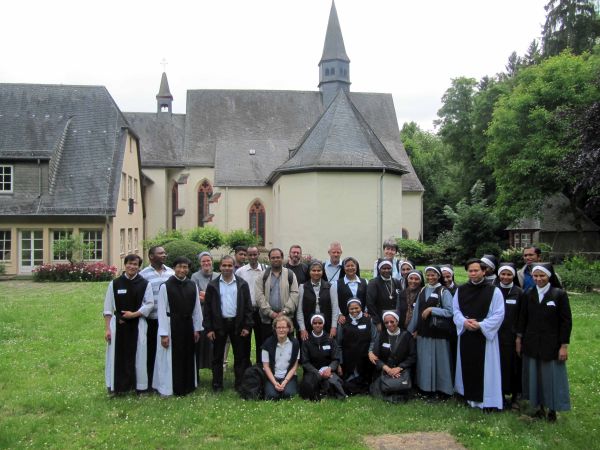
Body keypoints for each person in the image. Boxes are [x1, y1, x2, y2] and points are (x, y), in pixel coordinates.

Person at [517, 263, 571, 422]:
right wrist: (519, 339)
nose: (539, 279)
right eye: (535, 276)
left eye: (542, 276)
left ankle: (552, 409)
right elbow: (522, 319)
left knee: (551, 376)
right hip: (532, 342)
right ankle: (539, 407)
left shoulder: (559, 294)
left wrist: (563, 346)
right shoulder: (528, 294)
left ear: (549, 276)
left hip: (552, 344)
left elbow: (566, 322)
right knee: (535, 376)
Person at [453, 258, 504, 411]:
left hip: (484, 336)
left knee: (486, 370)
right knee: (466, 365)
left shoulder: (494, 291)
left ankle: (487, 401)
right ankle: (467, 396)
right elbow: (456, 310)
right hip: (467, 334)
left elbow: (499, 314)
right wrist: (464, 322)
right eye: (470, 271)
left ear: (484, 271)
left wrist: (481, 325)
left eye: (476, 270)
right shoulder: (461, 290)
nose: (473, 273)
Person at [104, 254, 154, 394]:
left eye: (135, 265)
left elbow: (149, 304)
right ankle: (117, 387)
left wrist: (134, 314)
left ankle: (139, 386)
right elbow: (108, 308)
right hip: (118, 327)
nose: (132, 267)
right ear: (125, 264)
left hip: (138, 324)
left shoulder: (145, 284)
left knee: (139, 356)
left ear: (139, 267)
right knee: (116, 356)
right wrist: (107, 329)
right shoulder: (115, 284)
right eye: (130, 264)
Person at [153, 257, 202, 396]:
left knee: (187, 354)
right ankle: (169, 387)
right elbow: (161, 311)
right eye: (179, 267)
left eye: (185, 267)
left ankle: (188, 385)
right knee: (170, 358)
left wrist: (197, 328)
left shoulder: (193, 285)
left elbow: (196, 309)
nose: (182, 270)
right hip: (171, 325)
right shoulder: (165, 286)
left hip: (187, 325)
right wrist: (163, 334)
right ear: (174, 268)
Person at [204, 255, 254, 392]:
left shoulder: (242, 284)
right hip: (219, 325)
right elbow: (207, 308)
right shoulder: (213, 285)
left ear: (233, 267)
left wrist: (247, 326)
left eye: (229, 265)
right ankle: (217, 384)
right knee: (217, 357)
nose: (227, 268)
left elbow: (248, 307)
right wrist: (209, 328)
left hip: (237, 325)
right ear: (219, 267)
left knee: (240, 356)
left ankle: (239, 384)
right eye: (224, 265)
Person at [407, 266, 454, 398]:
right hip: (423, 333)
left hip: (438, 333)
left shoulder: (443, 291)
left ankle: (443, 390)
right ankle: (425, 389)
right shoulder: (423, 289)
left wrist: (432, 310)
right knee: (425, 362)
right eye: (428, 275)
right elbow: (416, 313)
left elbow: (450, 312)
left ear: (439, 276)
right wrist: (409, 332)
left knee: (441, 362)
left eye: (433, 275)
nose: (430, 277)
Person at [139, 246, 174, 390]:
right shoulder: (143, 275)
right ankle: (149, 382)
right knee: (150, 351)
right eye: (160, 253)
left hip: (167, 320)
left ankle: (164, 380)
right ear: (151, 256)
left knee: (166, 352)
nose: (164, 255)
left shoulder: (171, 273)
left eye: (165, 253)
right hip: (151, 320)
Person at [368, 311, 417, 403]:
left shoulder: (407, 336)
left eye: (392, 321)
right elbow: (375, 357)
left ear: (397, 321)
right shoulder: (381, 335)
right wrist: (387, 369)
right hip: (385, 369)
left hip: (402, 370)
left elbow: (412, 357)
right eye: (386, 323)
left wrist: (399, 368)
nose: (389, 324)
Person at [255, 248, 299, 346]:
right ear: (269, 259)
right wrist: (271, 313)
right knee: (268, 346)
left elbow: (295, 294)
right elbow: (259, 296)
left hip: (286, 318)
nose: (276, 259)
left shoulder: (290, 275)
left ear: (282, 258)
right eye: (273, 257)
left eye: (278, 257)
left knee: (287, 346)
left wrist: (285, 311)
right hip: (267, 319)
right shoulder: (262, 276)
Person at [496, 262, 524, 410]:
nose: (505, 277)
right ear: (499, 275)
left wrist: (519, 336)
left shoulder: (519, 292)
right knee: (498, 366)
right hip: (496, 336)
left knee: (514, 367)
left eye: (509, 274)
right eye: (503, 274)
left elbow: (522, 316)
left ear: (513, 276)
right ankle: (499, 395)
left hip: (513, 337)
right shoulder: (493, 290)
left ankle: (515, 397)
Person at [299, 314, 346, 400]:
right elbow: (305, 362)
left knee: (334, 384)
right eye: (315, 323)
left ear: (323, 324)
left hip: (328, 371)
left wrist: (329, 369)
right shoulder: (306, 341)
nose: (317, 325)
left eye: (320, 323)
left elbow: (336, 358)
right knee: (308, 386)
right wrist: (317, 372)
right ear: (311, 324)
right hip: (312, 372)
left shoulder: (330, 339)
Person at [336, 298, 377, 394]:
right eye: (351, 309)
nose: (354, 311)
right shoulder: (343, 322)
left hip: (365, 359)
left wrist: (370, 351)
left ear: (361, 307)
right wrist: (340, 362)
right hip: (348, 360)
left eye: (356, 308)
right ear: (348, 309)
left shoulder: (368, 320)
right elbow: (338, 344)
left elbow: (374, 339)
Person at [235, 245, 266, 364]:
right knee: (244, 340)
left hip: (260, 311)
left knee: (261, 339)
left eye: (255, 254)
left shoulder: (265, 270)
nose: (253, 257)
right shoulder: (240, 272)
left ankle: (260, 365)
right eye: (250, 255)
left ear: (258, 255)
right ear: (247, 256)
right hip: (246, 311)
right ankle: (245, 365)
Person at [190, 252, 219, 373]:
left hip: (216, 315)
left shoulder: (218, 276)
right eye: (203, 261)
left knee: (215, 343)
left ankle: (216, 369)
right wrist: (211, 297)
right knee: (201, 343)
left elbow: (220, 296)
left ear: (212, 261)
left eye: (208, 261)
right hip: (201, 314)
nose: (206, 263)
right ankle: (198, 369)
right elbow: (195, 296)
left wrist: (206, 295)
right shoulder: (195, 277)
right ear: (200, 263)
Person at [297, 260, 339, 340]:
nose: (316, 273)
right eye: (313, 270)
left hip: (326, 325)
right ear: (309, 272)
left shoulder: (330, 287)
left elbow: (335, 308)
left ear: (322, 272)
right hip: (307, 326)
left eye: (319, 270)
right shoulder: (302, 287)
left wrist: (333, 327)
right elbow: (299, 310)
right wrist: (302, 328)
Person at [261, 316, 300, 400]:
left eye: (284, 327)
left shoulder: (295, 344)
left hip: (288, 376)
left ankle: (286, 386)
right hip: (273, 377)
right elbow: (266, 366)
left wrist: (285, 381)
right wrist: (275, 383)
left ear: (289, 329)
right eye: (278, 327)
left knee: (288, 394)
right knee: (272, 396)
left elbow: (294, 367)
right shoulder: (267, 343)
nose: (281, 330)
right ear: (275, 329)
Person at [366, 260, 402, 332]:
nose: (386, 270)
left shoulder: (396, 282)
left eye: (389, 268)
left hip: (395, 319)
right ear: (379, 269)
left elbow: (401, 300)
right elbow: (370, 303)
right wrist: (377, 322)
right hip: (381, 319)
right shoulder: (373, 283)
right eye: (384, 268)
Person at [331, 256, 369, 324]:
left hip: (362, 317)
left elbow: (367, 299)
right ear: (344, 268)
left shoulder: (365, 282)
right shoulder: (336, 284)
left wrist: (366, 311)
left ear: (356, 267)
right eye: (347, 266)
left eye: (352, 265)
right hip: (344, 319)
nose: (350, 268)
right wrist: (339, 315)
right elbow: (335, 303)